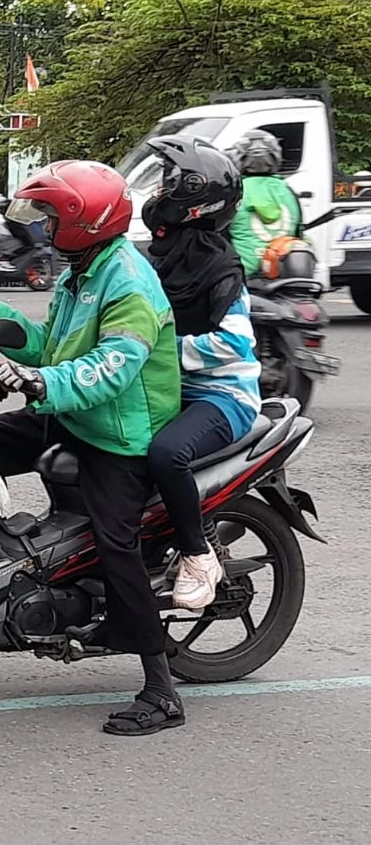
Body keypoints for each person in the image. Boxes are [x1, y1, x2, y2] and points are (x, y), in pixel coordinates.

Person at [0, 160, 185, 736]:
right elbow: (53, 345)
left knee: (115, 542)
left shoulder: (127, 281)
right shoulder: (82, 270)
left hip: (120, 432)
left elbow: (113, 369)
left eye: (52, 217)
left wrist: (40, 384)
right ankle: (8, 569)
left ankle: (161, 688)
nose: (45, 228)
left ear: (84, 220)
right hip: (74, 412)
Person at [142, 136, 261, 610]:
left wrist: (158, 353)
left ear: (194, 201)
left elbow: (233, 342)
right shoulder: (158, 257)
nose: (158, 194)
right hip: (167, 389)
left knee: (166, 454)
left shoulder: (219, 265)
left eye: (168, 184)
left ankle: (197, 552)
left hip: (223, 397)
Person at [224, 129, 304, 276]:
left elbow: (221, 235)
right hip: (284, 271)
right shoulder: (288, 191)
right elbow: (299, 231)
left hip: (243, 275)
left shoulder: (234, 193)